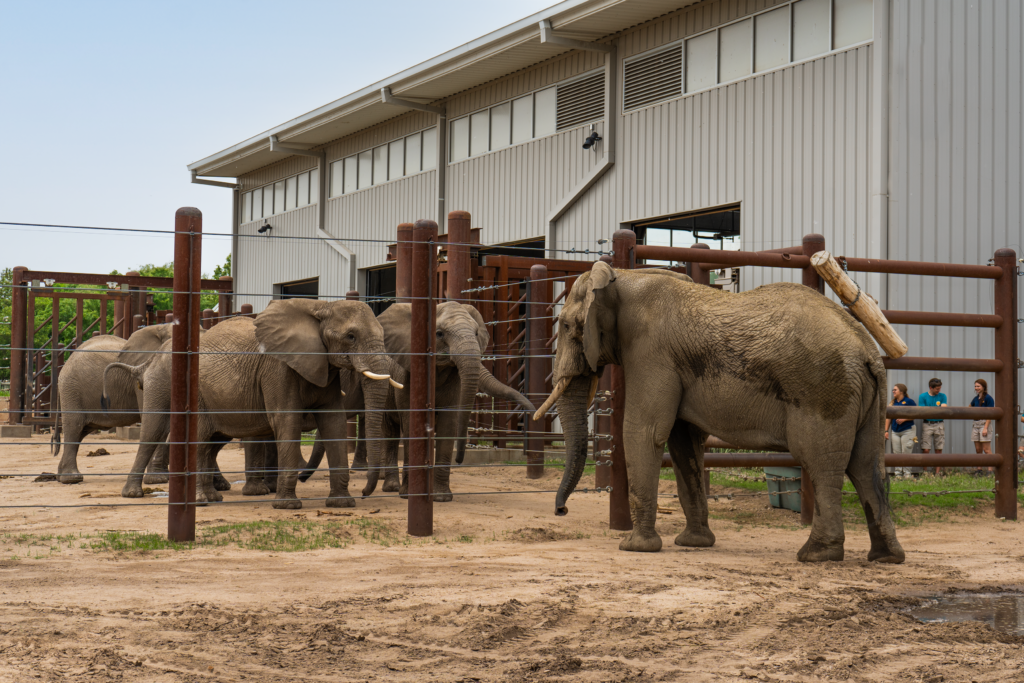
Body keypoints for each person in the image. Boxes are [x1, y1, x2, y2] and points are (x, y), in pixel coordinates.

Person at [884, 383, 917, 477]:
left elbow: (916, 414)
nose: (893, 391)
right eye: (893, 390)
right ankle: (898, 474)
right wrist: (886, 431)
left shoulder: (909, 402)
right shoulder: (892, 403)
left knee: (906, 451)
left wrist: (904, 419)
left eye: (895, 390)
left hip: (908, 430)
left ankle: (907, 474)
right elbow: (888, 418)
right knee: (896, 452)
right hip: (895, 431)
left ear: (901, 391)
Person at [918, 378, 947, 474]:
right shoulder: (923, 396)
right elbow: (922, 412)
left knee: (938, 449)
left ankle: (937, 473)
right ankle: (925, 472)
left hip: (939, 424)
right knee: (926, 449)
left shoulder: (943, 396)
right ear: (931, 387)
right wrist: (936, 411)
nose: (939, 391)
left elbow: (943, 409)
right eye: (937, 389)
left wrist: (931, 411)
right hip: (927, 424)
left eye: (939, 388)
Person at [970, 379, 994, 475]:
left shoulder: (989, 398)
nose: (976, 388)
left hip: (984, 424)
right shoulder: (975, 399)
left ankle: (990, 470)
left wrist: (985, 428)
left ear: (983, 387)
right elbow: (970, 407)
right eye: (975, 386)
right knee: (978, 449)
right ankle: (979, 469)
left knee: (986, 449)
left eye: (978, 386)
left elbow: (991, 414)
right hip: (975, 424)